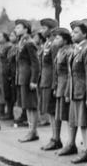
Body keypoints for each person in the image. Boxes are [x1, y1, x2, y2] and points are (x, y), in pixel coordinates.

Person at [67, 20, 87, 164]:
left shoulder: (86, 48)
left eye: (76, 32)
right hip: (76, 90)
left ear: (85, 34)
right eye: (72, 32)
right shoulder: (77, 48)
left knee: (85, 122)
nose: (73, 34)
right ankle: (86, 149)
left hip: (83, 91)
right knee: (80, 121)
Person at [14, 19, 40, 142]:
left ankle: (33, 132)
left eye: (18, 27)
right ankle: (31, 131)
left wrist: (34, 80)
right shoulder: (22, 42)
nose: (16, 29)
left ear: (26, 29)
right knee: (28, 106)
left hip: (28, 78)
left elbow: (35, 63)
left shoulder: (29, 43)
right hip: (22, 78)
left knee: (32, 106)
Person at [37, 18, 60, 149]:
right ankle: (54, 137)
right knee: (50, 111)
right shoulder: (47, 43)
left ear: (51, 29)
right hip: (45, 81)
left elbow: (56, 65)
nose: (41, 31)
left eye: (44, 28)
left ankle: (56, 139)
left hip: (51, 81)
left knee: (53, 111)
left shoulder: (54, 44)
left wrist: (55, 84)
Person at [52, 28, 74, 153]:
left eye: (58, 38)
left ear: (65, 40)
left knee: (68, 117)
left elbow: (70, 73)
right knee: (60, 115)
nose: (55, 40)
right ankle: (61, 141)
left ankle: (70, 143)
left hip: (66, 86)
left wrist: (66, 91)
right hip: (60, 86)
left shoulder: (69, 51)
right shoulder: (60, 51)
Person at [0, 32, 12, 119]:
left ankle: (9, 113)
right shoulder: (0, 46)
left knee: (7, 93)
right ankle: (2, 112)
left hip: (5, 71)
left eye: (0, 36)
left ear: (5, 37)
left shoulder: (8, 46)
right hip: (0, 71)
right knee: (1, 92)